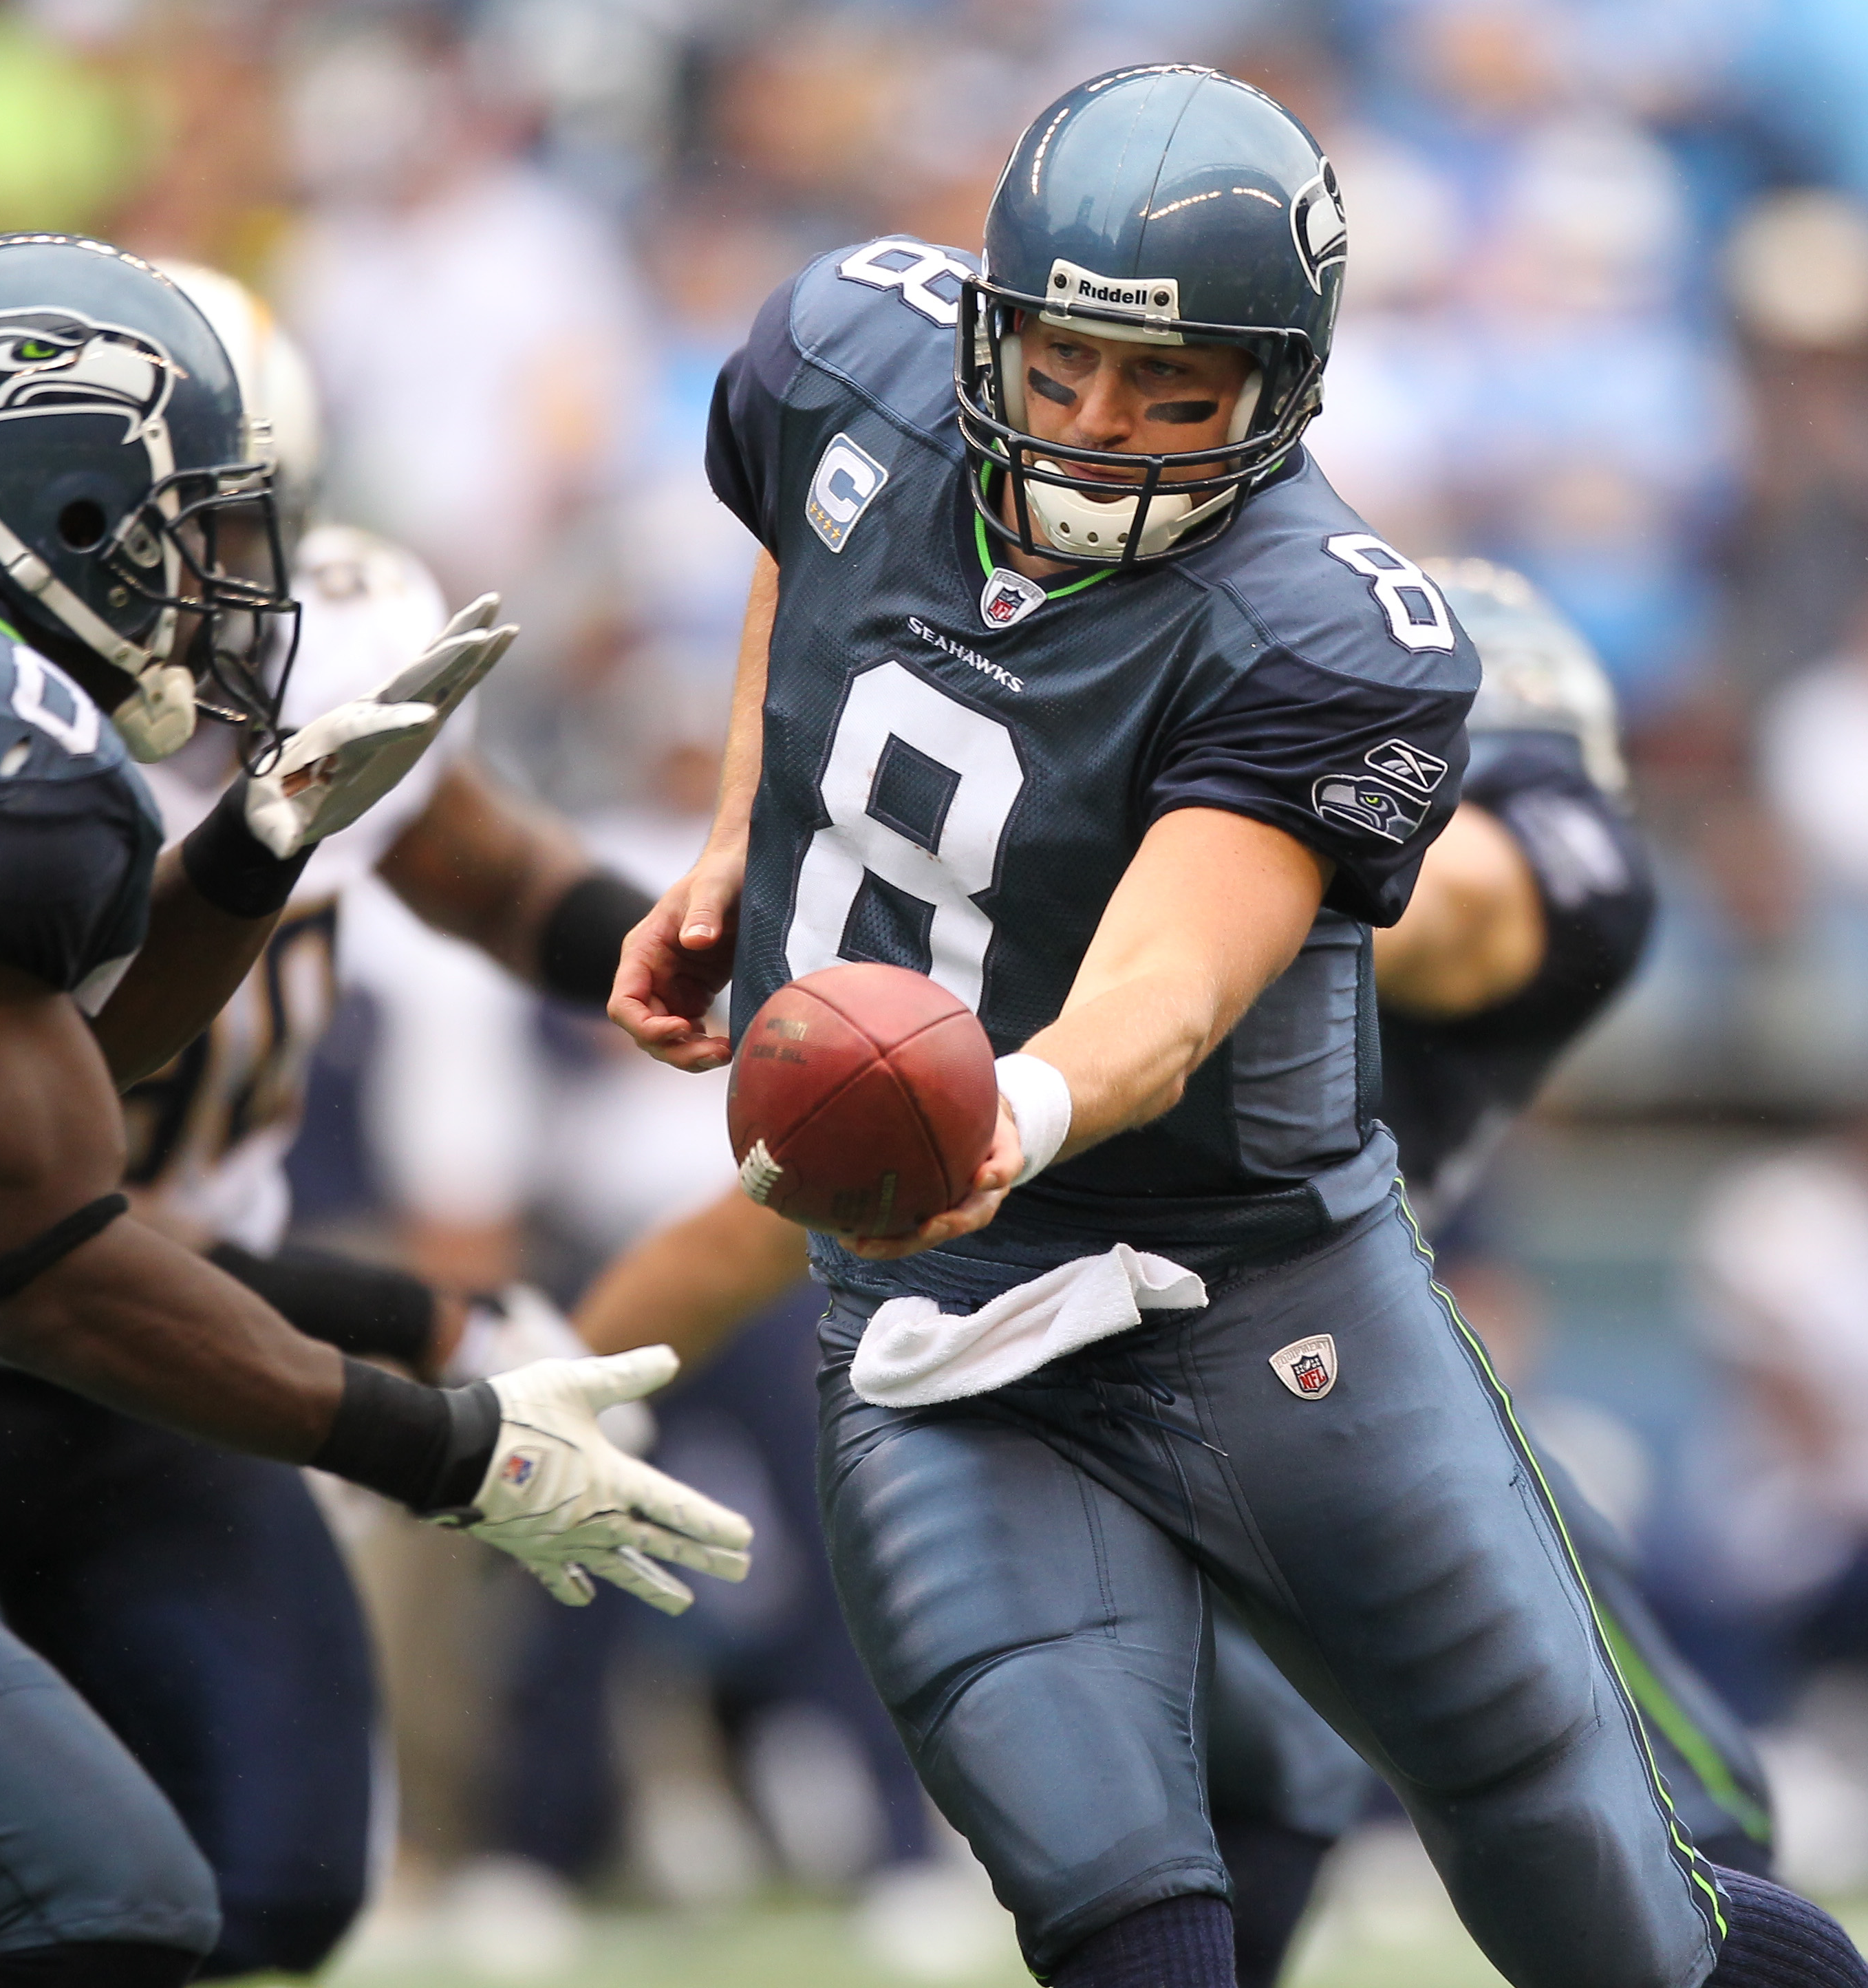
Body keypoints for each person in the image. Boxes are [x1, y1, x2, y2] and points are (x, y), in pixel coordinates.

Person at [609, 65, 1863, 1988]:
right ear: (984, 322)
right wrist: (734, 831)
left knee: (1607, 1907)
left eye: (1172, 391)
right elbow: (809, 520)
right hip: (951, 1320)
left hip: (1270, 1296)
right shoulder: (843, 354)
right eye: (1062, 369)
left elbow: (1170, 992)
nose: (1101, 428)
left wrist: (998, 1109)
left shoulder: (1325, 627)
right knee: (1121, 1907)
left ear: (1277, 392)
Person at [0, 232, 749, 1988]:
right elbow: (51, 1258)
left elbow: (58, 1075)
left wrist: (253, 847)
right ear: (66, 512)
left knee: (128, 1893)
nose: (231, 582)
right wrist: (446, 1434)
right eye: (195, 524)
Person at [582, 557, 1774, 1985]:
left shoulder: (1511, 853)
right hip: (1076, 1372)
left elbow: (1452, 905)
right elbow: (789, 1213)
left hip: (1334, 1362)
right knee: (1201, 1817)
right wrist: (528, 1384)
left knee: (1677, 1805)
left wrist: (1229, 859)